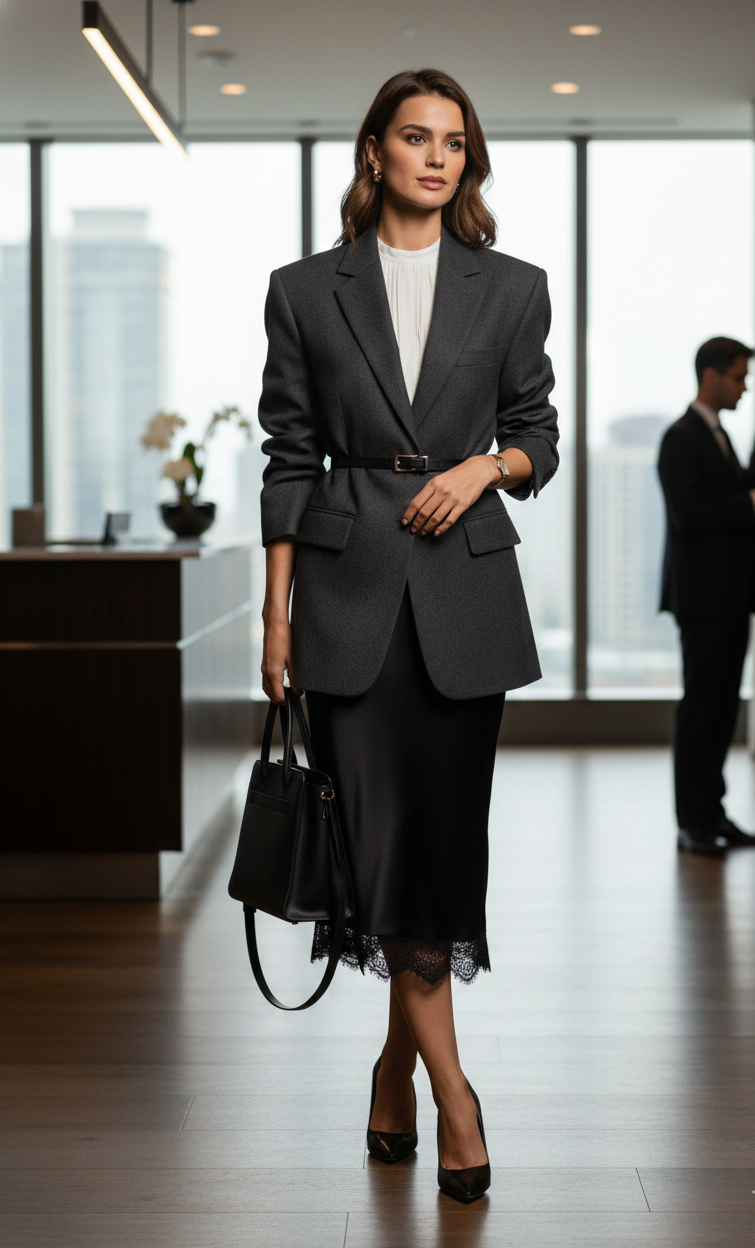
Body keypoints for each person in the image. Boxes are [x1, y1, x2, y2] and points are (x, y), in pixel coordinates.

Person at [258, 68, 559, 1202]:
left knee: (435, 850)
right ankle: (453, 1094)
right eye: (414, 137)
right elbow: (288, 461)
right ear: (373, 150)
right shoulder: (302, 289)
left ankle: (394, 1069)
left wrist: (483, 465)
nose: (436, 157)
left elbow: (539, 431)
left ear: (465, 162)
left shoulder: (512, 286)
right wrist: (278, 616)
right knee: (376, 852)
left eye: (454, 143)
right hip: (341, 601)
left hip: (462, 601)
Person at [658, 336, 755, 857]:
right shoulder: (682, 437)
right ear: (711, 375)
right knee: (702, 711)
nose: (744, 387)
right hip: (702, 600)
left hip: (731, 597)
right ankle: (691, 821)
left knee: (721, 711)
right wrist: (750, 503)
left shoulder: (719, 435)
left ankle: (713, 813)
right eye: (739, 376)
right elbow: (689, 516)